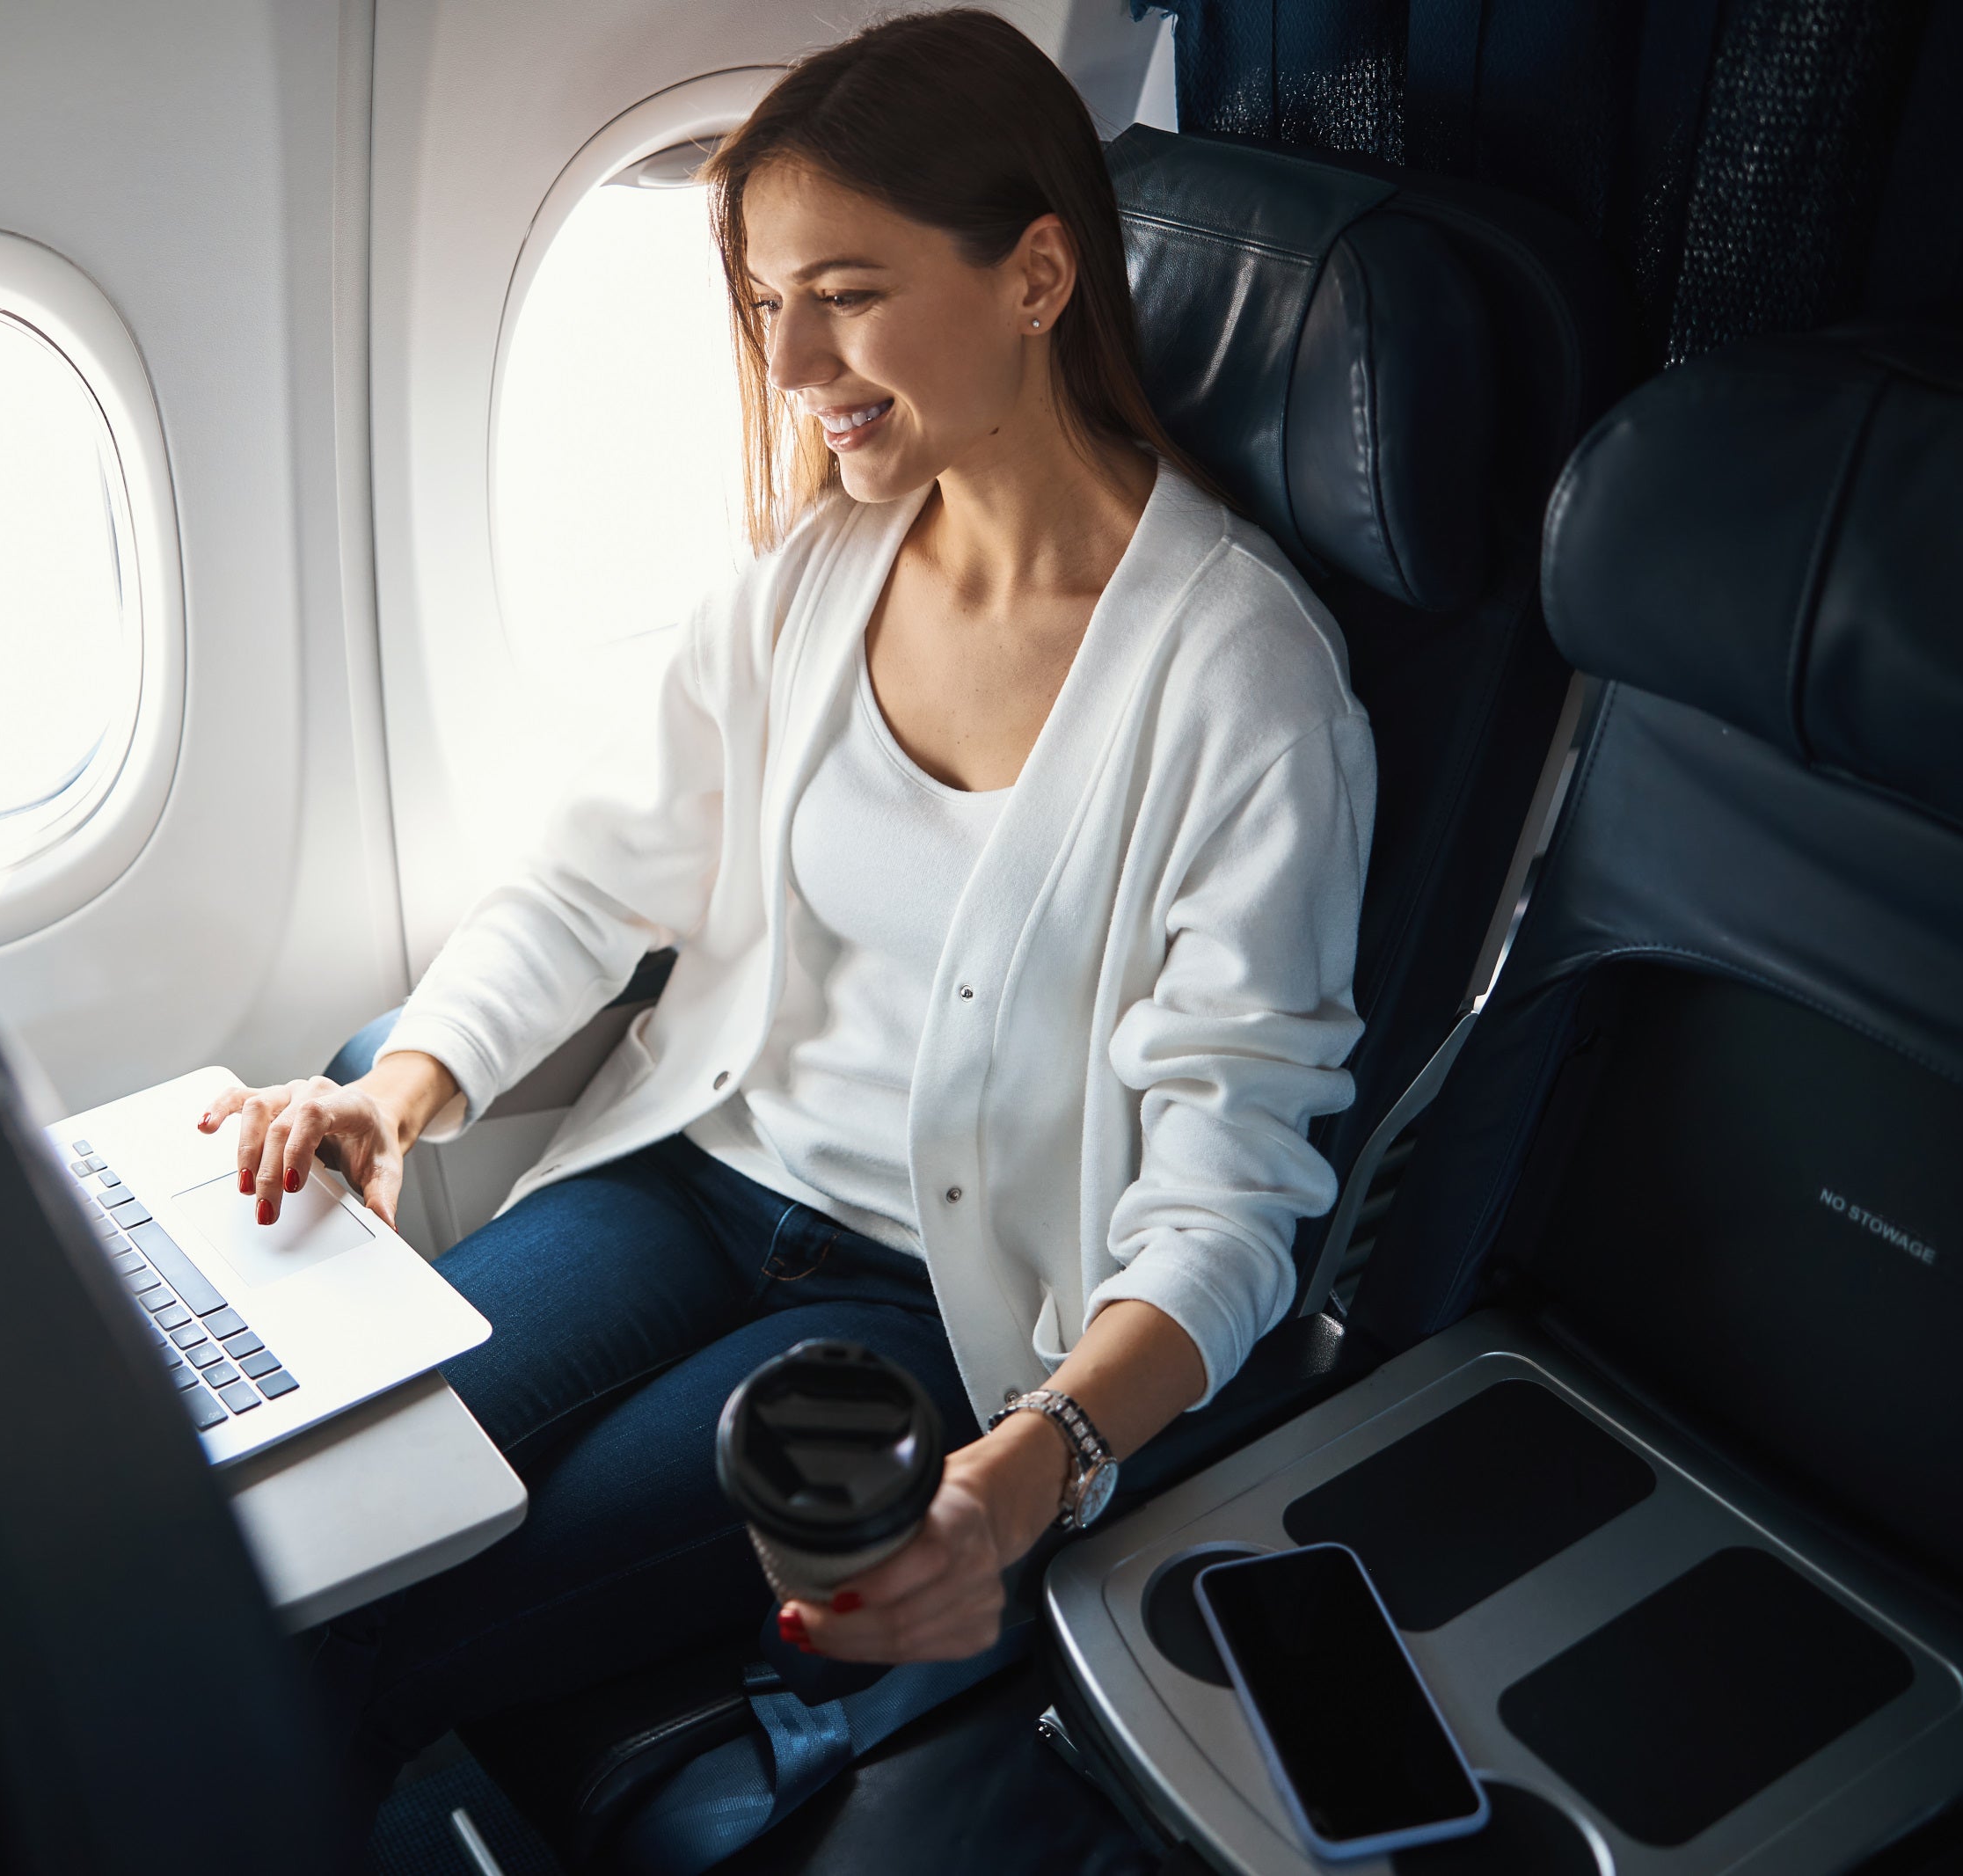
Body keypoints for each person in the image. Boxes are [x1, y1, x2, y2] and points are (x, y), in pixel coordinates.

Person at [207, 4, 1374, 1830]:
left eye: (845, 290)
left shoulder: (1243, 687)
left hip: (919, 1302)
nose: (792, 357)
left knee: (383, 1635)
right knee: (286, 1518)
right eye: (764, 302)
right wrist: (405, 1086)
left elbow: (1234, 1191)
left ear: (1036, 276)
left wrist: (1035, 1461)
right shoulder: (816, 572)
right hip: (676, 1180)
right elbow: (595, 880)